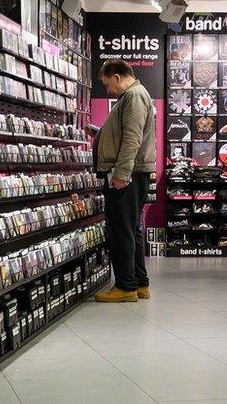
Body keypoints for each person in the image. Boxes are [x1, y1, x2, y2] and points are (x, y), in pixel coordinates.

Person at [94, 60, 156, 303]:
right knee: (132, 229)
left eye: (107, 84)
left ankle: (125, 286)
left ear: (117, 77)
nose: (107, 89)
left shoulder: (133, 96)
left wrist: (121, 174)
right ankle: (139, 283)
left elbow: (132, 138)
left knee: (121, 230)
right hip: (133, 173)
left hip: (127, 175)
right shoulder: (133, 96)